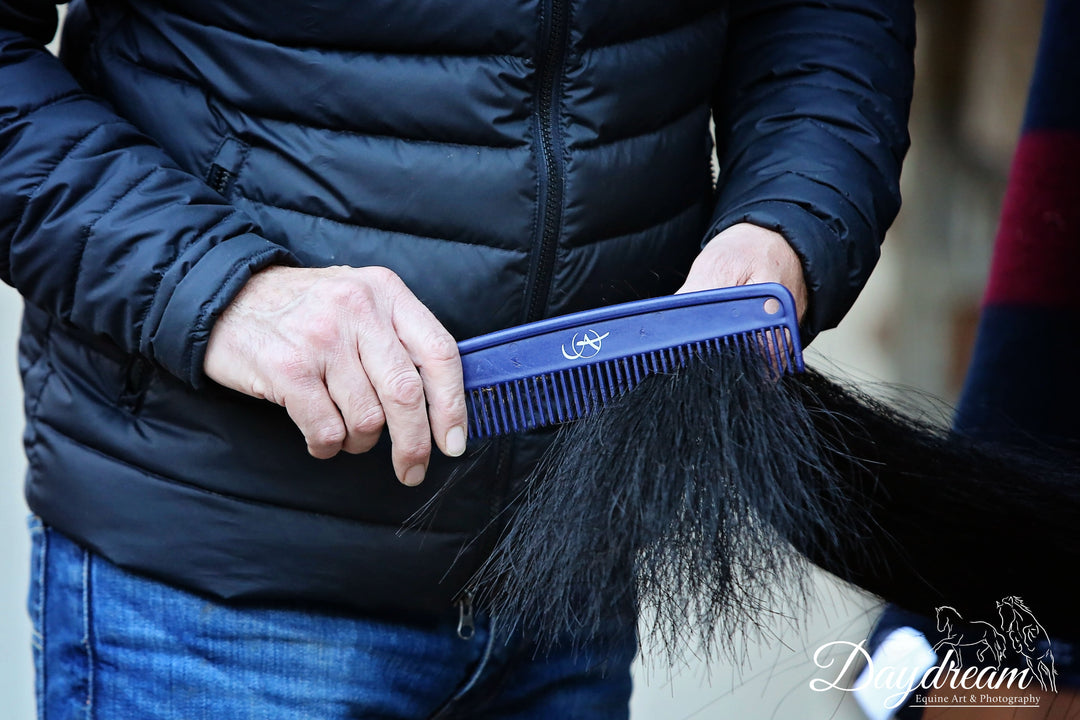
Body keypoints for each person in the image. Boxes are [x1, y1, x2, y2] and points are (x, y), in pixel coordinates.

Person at [1, 0, 914, 716]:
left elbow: (822, 13)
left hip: (569, 575)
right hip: (212, 593)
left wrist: (788, 217)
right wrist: (220, 286)